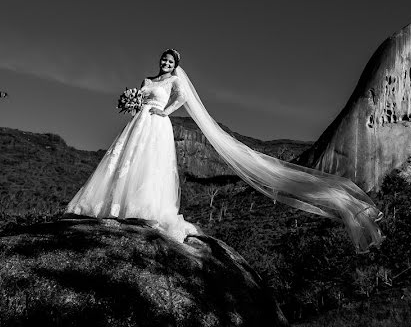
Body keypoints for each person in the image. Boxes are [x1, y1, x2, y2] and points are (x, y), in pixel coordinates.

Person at [66, 49, 383, 251]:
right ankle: (114, 205)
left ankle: (139, 208)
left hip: (157, 125)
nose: (166, 63)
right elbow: (142, 96)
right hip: (139, 124)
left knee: (148, 166)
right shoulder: (148, 79)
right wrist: (135, 101)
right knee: (124, 160)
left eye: (171, 61)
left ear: (176, 65)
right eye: (164, 59)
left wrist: (166, 111)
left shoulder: (175, 81)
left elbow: (183, 100)